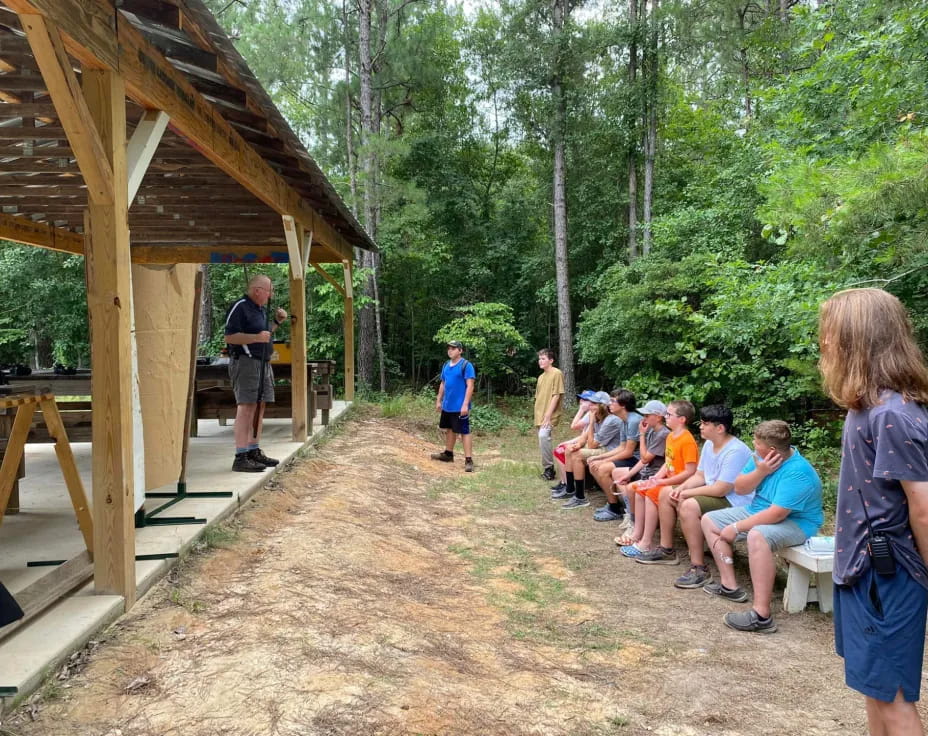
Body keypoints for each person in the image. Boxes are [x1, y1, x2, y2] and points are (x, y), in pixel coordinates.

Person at [819, 288, 928, 735]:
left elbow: (923, 508)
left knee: (895, 699)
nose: (823, 343)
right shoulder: (865, 407)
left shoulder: (893, 415)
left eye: (829, 333)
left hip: (888, 571)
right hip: (862, 569)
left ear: (855, 338)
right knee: (875, 689)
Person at [702, 420, 823, 633]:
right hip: (758, 510)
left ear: (772, 449)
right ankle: (730, 586)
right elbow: (739, 488)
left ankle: (761, 616)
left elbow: (777, 514)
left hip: (797, 522)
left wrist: (737, 527)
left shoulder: (798, 472)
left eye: (756, 443)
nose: (753, 445)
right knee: (709, 520)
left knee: (757, 535)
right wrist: (761, 472)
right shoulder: (760, 458)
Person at [653, 405, 753, 572]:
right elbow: (700, 476)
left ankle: (698, 567)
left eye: (705, 423)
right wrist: (681, 488)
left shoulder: (735, 451)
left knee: (689, 505)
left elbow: (721, 489)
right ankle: (666, 549)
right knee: (666, 492)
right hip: (715, 493)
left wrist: (686, 492)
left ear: (720, 428)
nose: (700, 426)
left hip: (735, 500)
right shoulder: (709, 444)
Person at [618, 400, 699, 558]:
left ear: (682, 419)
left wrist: (662, 482)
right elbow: (668, 463)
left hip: (680, 485)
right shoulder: (671, 436)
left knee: (651, 493)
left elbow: (690, 471)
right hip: (668, 481)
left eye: (669, 414)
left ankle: (645, 543)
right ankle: (637, 534)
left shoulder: (687, 440)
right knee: (641, 488)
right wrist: (655, 478)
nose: (666, 416)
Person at [224, 274, 288, 472]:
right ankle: (240, 455)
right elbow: (230, 337)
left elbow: (264, 334)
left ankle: (253, 449)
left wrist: (277, 322)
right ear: (258, 290)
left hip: (263, 362)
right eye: (269, 291)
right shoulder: (240, 306)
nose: (271, 295)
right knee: (246, 407)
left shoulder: (259, 310)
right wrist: (255, 338)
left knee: (259, 406)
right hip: (246, 363)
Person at [595, 400, 669, 523]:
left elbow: (644, 458)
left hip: (654, 474)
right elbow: (643, 460)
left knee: (627, 484)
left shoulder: (662, 434)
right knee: (618, 474)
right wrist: (627, 475)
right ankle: (629, 512)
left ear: (658, 417)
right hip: (647, 470)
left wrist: (641, 434)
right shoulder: (653, 431)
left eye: (647, 415)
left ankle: (634, 518)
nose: (643, 418)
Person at [559, 392, 622, 509]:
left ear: (602, 406)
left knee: (578, 455)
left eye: (594, 404)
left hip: (611, 450)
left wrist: (592, 421)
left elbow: (592, 445)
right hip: (601, 448)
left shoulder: (611, 420)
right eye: (591, 403)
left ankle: (580, 497)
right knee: (569, 450)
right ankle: (570, 489)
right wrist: (578, 444)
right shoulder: (597, 416)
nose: (590, 406)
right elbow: (585, 436)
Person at [588, 389, 644, 507]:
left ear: (623, 405)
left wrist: (603, 461)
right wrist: (599, 456)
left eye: (613, 401)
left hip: (640, 460)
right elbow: (621, 447)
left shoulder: (633, 420)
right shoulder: (624, 420)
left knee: (602, 468)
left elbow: (628, 452)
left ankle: (614, 507)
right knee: (595, 464)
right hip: (632, 457)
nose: (609, 404)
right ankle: (613, 503)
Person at [430, 340, 476, 472]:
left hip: (460, 406)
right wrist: (439, 400)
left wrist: (465, 404)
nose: (450, 350)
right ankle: (448, 454)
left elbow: (470, 385)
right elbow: (443, 383)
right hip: (447, 405)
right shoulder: (446, 365)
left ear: (460, 351)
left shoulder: (466, 365)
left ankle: (468, 460)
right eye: (449, 348)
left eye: (454, 348)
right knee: (449, 429)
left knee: (464, 431)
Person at [549, 391, 596, 497]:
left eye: (585, 400)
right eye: (581, 399)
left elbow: (574, 426)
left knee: (561, 450)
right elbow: (584, 435)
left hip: (590, 444)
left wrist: (581, 410)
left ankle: (567, 485)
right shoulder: (589, 413)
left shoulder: (591, 414)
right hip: (584, 441)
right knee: (559, 449)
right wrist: (568, 442)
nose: (581, 401)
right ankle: (564, 482)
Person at [534, 348, 565, 481]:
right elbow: (539, 397)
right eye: (539, 359)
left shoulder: (556, 373)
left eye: (543, 359)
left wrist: (548, 415)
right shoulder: (541, 377)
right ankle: (547, 468)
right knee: (543, 441)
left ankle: (549, 469)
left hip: (549, 414)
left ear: (551, 360)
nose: (540, 361)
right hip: (539, 413)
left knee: (543, 436)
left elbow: (556, 395)